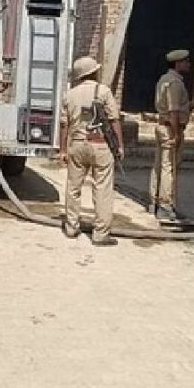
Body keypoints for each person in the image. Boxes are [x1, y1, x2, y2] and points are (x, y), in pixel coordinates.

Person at [58, 56, 124, 246]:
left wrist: (63, 150)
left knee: (73, 187)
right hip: (101, 144)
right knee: (102, 188)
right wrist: (119, 145)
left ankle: (71, 227)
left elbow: (64, 124)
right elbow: (114, 119)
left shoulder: (69, 95)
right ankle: (100, 233)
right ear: (93, 72)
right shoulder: (103, 91)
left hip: (77, 144)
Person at [150, 49, 194, 221]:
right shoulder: (175, 83)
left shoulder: (164, 79)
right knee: (169, 167)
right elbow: (173, 110)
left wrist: (189, 106)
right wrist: (177, 134)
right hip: (170, 128)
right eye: (186, 61)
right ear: (178, 64)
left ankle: (154, 201)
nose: (188, 64)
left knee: (159, 165)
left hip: (163, 125)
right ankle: (165, 205)